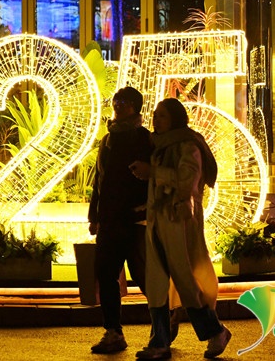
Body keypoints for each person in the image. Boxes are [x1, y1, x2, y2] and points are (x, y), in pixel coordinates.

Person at [129, 98, 231, 360]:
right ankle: (159, 341)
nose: (156, 120)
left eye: (162, 116)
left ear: (175, 118)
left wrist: (153, 172)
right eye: (155, 115)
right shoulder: (160, 146)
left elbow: (188, 180)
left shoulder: (188, 145)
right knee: (156, 284)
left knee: (186, 281)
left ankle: (215, 330)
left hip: (179, 224)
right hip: (159, 223)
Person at [88, 87, 153, 354]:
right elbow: (100, 180)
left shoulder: (144, 138)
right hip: (110, 218)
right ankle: (113, 331)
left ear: (136, 107)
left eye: (125, 102)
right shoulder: (108, 140)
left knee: (143, 275)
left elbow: (154, 177)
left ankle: (165, 319)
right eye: (116, 101)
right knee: (105, 272)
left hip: (136, 219)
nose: (118, 105)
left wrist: (146, 210)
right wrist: (94, 216)